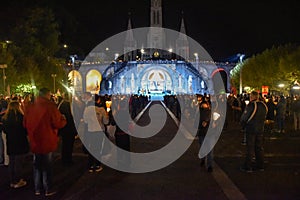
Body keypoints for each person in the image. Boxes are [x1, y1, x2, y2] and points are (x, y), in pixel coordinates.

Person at [23, 88, 66, 196]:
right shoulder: (51, 107)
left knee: (37, 166)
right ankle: (48, 188)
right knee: (47, 166)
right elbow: (57, 123)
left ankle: (37, 188)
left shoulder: (30, 107)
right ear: (47, 95)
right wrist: (63, 120)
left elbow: (24, 123)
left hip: (34, 141)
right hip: (47, 140)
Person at [2, 101, 29, 188]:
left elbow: (5, 130)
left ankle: (12, 180)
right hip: (20, 141)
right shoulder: (21, 117)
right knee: (18, 162)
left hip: (11, 142)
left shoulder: (5, 118)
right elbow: (26, 130)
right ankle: (18, 180)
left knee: (12, 162)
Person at [240, 91, 268, 172]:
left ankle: (247, 166)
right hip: (260, 129)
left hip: (251, 129)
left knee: (250, 148)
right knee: (259, 147)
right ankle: (260, 165)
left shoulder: (251, 105)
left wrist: (242, 125)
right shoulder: (263, 105)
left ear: (252, 97)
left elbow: (244, 118)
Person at [83, 92, 109, 172]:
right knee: (98, 148)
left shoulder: (87, 109)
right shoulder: (101, 109)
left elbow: (85, 121)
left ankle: (90, 165)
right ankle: (97, 165)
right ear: (98, 100)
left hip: (90, 130)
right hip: (100, 131)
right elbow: (106, 122)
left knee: (91, 148)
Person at [57, 93, 78, 166]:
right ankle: (67, 159)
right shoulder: (65, 105)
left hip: (67, 128)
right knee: (67, 144)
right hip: (67, 128)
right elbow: (69, 117)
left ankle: (67, 158)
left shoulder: (64, 104)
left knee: (67, 144)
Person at [196, 99, 213, 172]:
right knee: (209, 150)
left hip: (204, 133)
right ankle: (209, 165)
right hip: (208, 133)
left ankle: (205, 161)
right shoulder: (212, 113)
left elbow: (195, 124)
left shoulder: (199, 113)